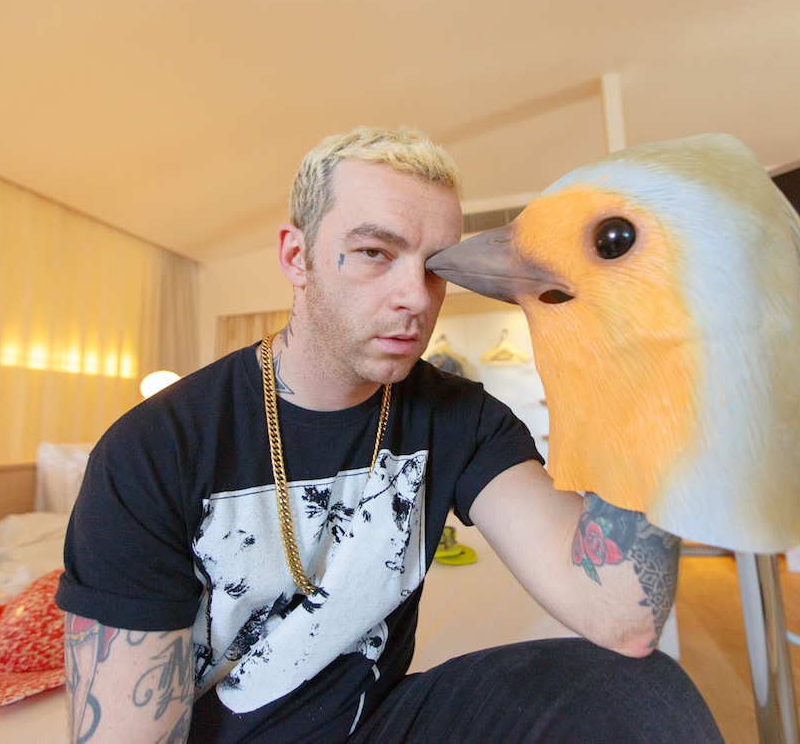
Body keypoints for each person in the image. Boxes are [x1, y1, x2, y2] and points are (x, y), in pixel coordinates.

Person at [56, 126, 723, 743]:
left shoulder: (458, 415)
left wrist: (641, 368)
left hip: (378, 724)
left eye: (436, 266)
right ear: (297, 255)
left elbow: (622, 613)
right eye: (376, 253)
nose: (417, 297)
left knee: (643, 694)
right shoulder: (155, 447)